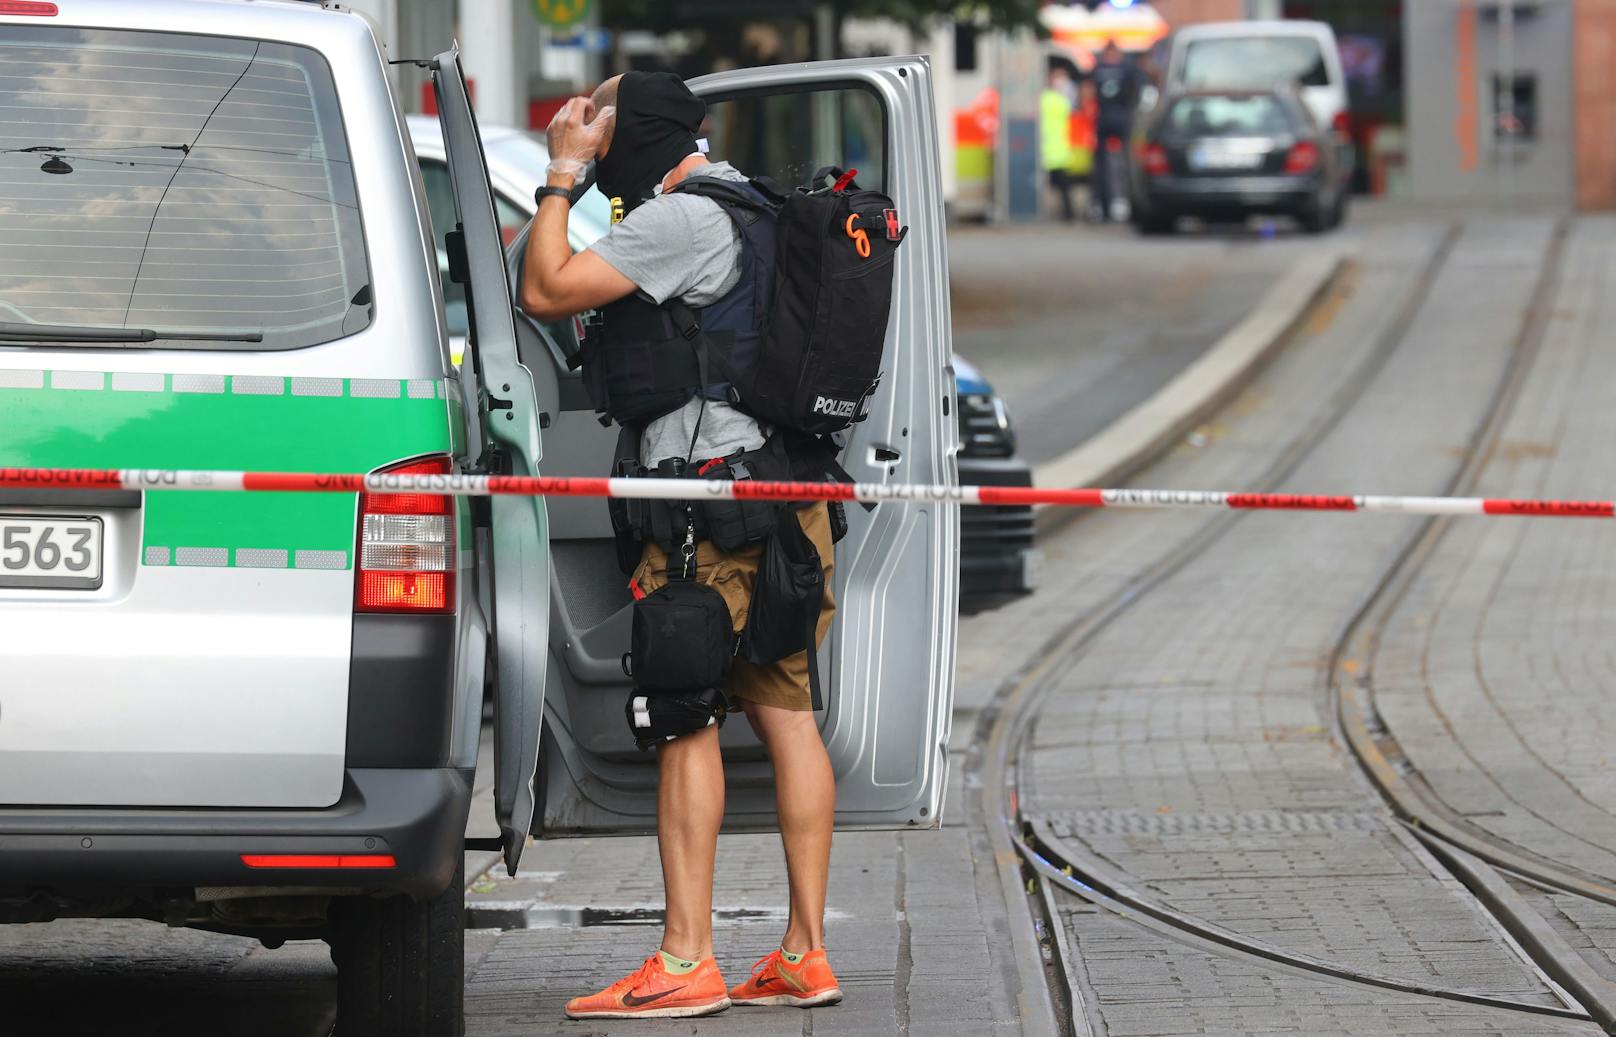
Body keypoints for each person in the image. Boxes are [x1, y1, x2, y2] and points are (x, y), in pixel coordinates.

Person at [517, 71, 844, 1021]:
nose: (587, 128)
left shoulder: (679, 222)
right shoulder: (760, 205)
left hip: (707, 511)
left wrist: (560, 177)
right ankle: (803, 955)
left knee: (684, 719)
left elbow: (544, 287)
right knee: (788, 711)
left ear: (634, 137)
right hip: (782, 499)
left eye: (601, 119)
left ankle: (685, 958)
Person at [1089, 39, 1140, 222]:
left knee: (1104, 166)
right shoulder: (1128, 69)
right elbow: (1137, 93)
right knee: (1126, 165)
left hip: (1104, 118)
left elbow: (1088, 92)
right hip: (1121, 119)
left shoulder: (1098, 69)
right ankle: (1129, 207)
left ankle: (1103, 208)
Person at [1040, 64, 1078, 222]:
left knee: (1046, 187)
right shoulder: (1061, 100)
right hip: (1058, 150)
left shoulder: (1043, 98)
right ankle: (1068, 214)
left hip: (1045, 150)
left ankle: (1047, 214)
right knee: (1064, 188)